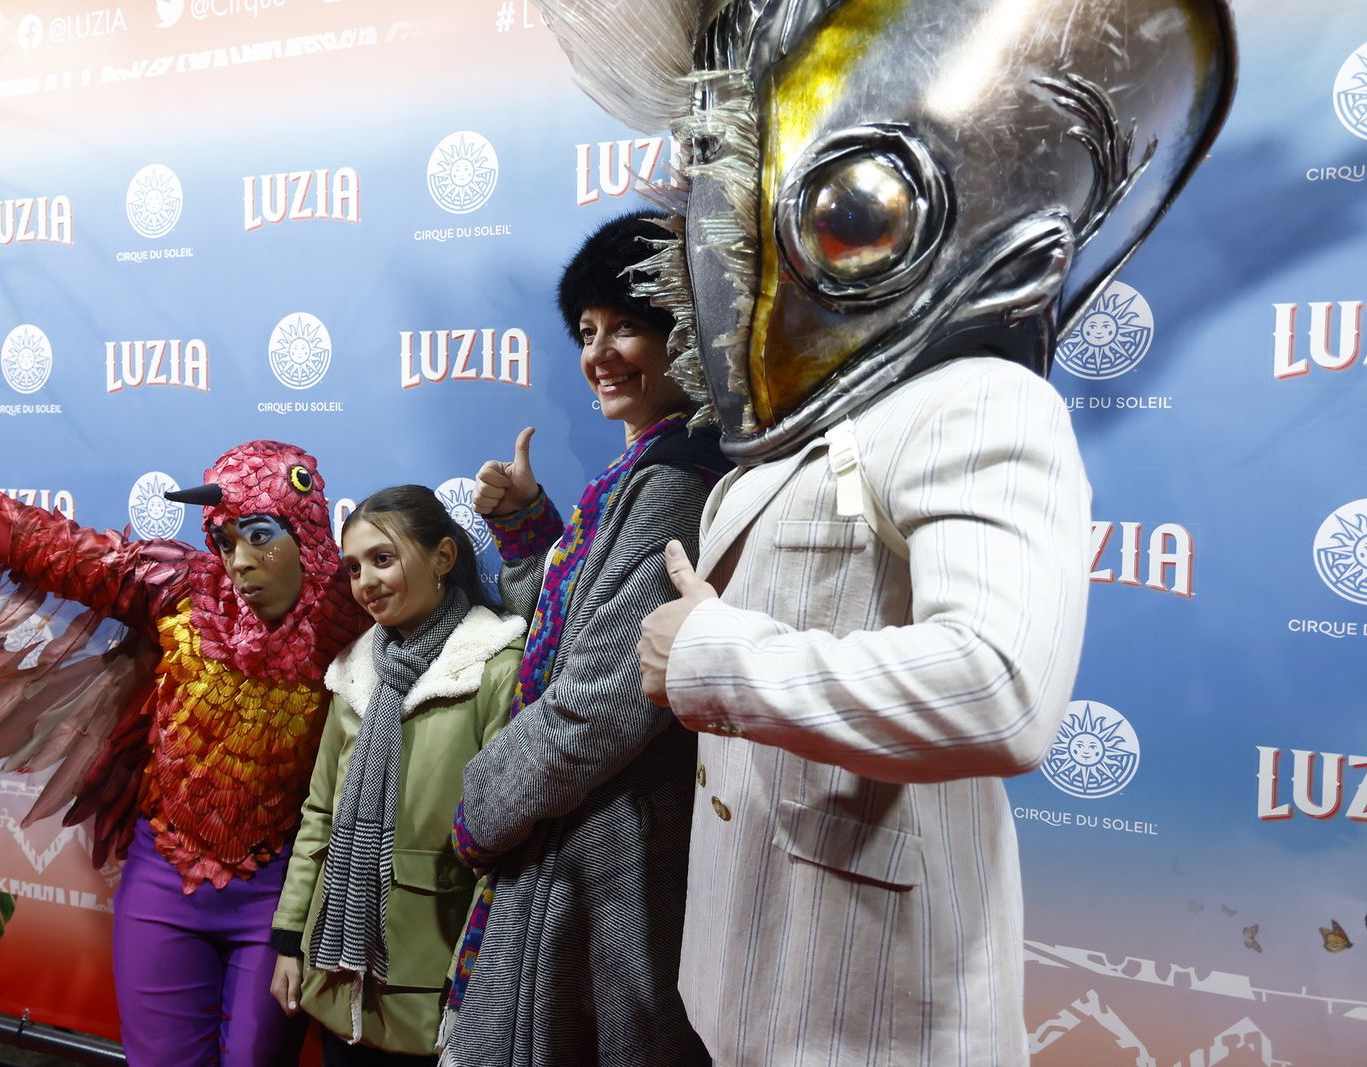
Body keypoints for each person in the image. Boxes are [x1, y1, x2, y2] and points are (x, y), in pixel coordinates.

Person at [522, 1, 1234, 1063]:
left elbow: (1000, 687)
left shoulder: (977, 402)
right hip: (744, 989)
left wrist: (716, 657)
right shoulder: (798, 436)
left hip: (875, 1018)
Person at [0, 404, 368, 1065]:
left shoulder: (351, 622)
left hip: (277, 892)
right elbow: (41, 543)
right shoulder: (180, 587)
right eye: (226, 539)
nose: (239, 560)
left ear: (305, 531)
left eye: (259, 535)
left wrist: (521, 526)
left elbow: (444, 612)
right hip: (165, 881)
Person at [438, 211, 727, 1067]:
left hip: (612, 859)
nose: (600, 352)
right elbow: (565, 641)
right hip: (591, 841)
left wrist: (482, 804)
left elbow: (597, 705)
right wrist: (530, 529)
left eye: (628, 326)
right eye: (588, 330)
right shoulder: (643, 467)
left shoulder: (677, 480)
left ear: (691, 331)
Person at [268, 485, 525, 1066]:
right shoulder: (353, 673)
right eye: (355, 568)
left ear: (442, 557)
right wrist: (289, 941)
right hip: (337, 973)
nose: (366, 583)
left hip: (441, 984)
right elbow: (320, 817)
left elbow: (509, 850)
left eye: (383, 560)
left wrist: (481, 983)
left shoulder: (494, 667)